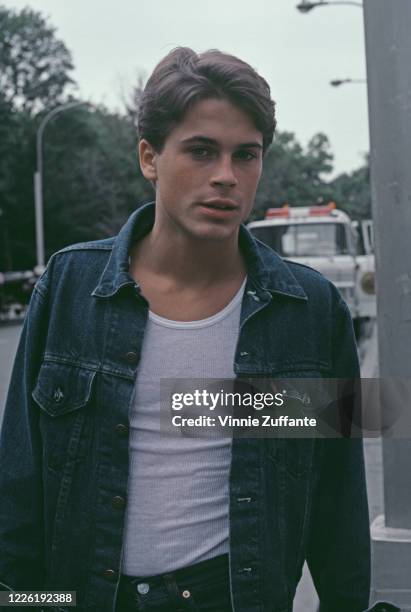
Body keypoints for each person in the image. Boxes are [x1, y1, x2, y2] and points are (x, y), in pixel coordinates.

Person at [0, 47, 371, 612]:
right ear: (150, 158)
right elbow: (18, 491)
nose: (226, 176)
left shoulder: (308, 309)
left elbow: (337, 507)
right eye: (201, 151)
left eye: (245, 155)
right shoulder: (72, 285)